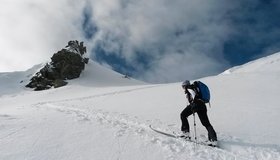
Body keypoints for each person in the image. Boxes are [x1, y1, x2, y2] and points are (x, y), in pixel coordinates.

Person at [180, 80, 217, 146]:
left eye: (183, 87)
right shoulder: (195, 87)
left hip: (196, 104)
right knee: (206, 123)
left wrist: (194, 104)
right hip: (202, 105)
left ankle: (186, 134)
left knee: (183, 115)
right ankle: (213, 140)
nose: (183, 88)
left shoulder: (189, 88)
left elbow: (194, 95)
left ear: (185, 85)